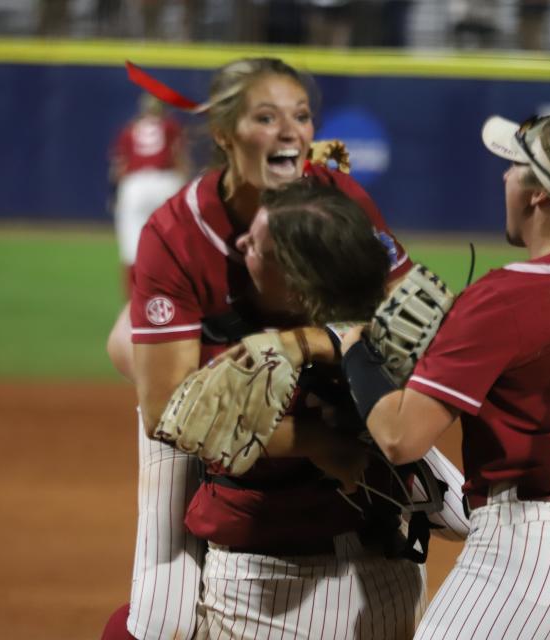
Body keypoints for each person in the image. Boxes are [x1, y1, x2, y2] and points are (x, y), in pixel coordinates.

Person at [102, 57, 468, 640]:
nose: (291, 131)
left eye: (300, 115)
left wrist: (326, 356)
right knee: (161, 620)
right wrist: (316, 443)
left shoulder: (333, 193)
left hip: (330, 373)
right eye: (266, 117)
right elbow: (167, 412)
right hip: (200, 402)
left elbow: (414, 311)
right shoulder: (177, 234)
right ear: (225, 135)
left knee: (448, 498)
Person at [338, 114, 550, 638]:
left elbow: (399, 438)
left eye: (513, 168)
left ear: (538, 197)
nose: (504, 177)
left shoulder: (505, 297)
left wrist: (354, 350)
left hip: (534, 553)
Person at [109, 93, 188, 296]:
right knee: (173, 246)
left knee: (131, 249)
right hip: (166, 182)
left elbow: (119, 167)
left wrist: (114, 194)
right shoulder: (171, 126)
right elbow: (180, 159)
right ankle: (171, 297)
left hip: (135, 185)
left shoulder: (129, 130)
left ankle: (133, 302)